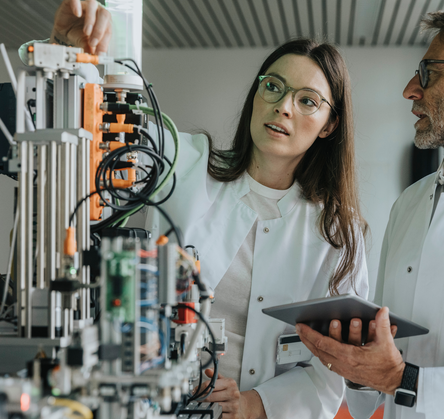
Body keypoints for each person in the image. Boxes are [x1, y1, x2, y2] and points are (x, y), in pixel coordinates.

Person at [45, 1, 369, 417]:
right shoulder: (183, 160)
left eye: (308, 101)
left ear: (329, 125)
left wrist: (254, 405)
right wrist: (71, 55)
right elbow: (99, 134)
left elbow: (329, 372)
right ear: (257, 92)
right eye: (273, 86)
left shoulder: (339, 235)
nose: (284, 106)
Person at [296, 2, 444, 419]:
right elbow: (377, 386)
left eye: (429, 73)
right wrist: (360, 366)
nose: (410, 90)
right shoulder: (409, 205)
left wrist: (404, 379)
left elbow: (401, 377)